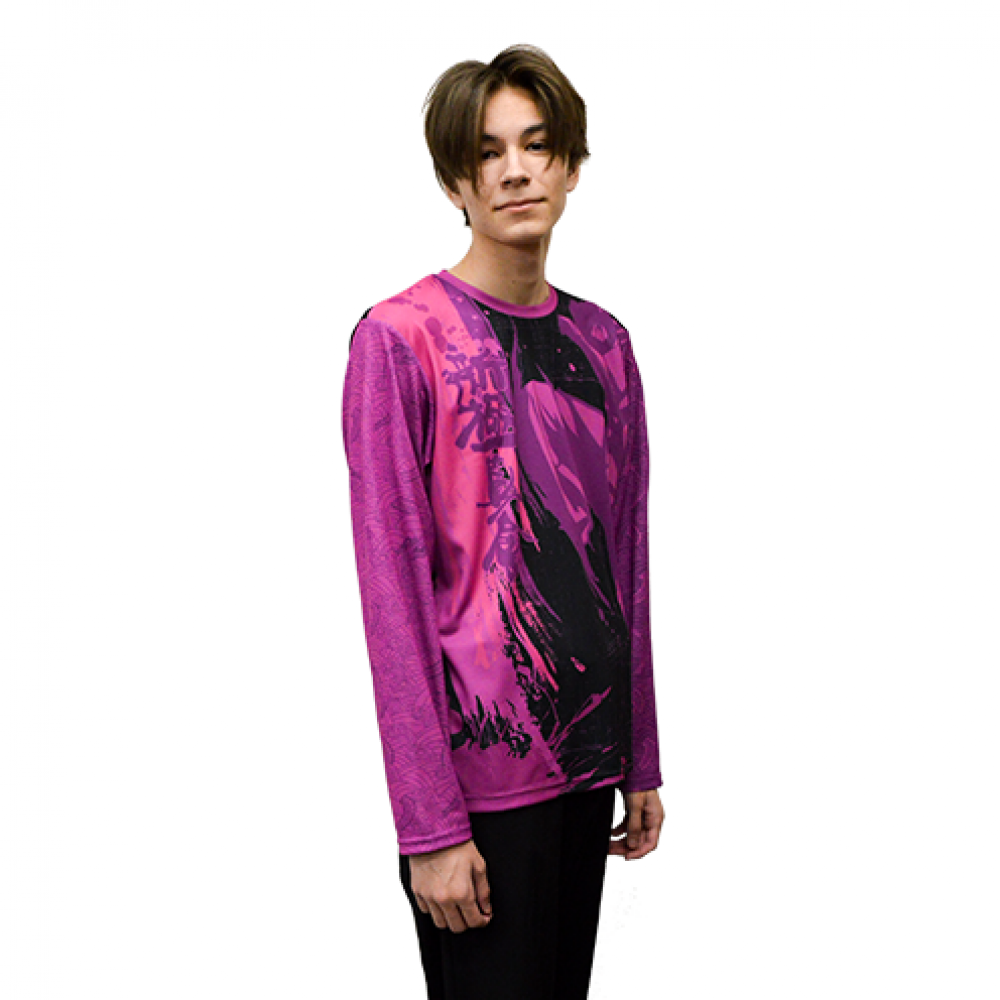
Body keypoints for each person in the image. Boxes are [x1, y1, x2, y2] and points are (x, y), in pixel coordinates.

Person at [342, 44, 664, 1000]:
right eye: (487, 154)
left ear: (570, 165)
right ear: (455, 182)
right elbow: (391, 594)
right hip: (479, 790)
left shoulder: (604, 343)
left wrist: (640, 754)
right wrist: (430, 826)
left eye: (536, 145)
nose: (516, 171)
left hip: (587, 763)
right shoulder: (400, 339)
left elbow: (627, 561)